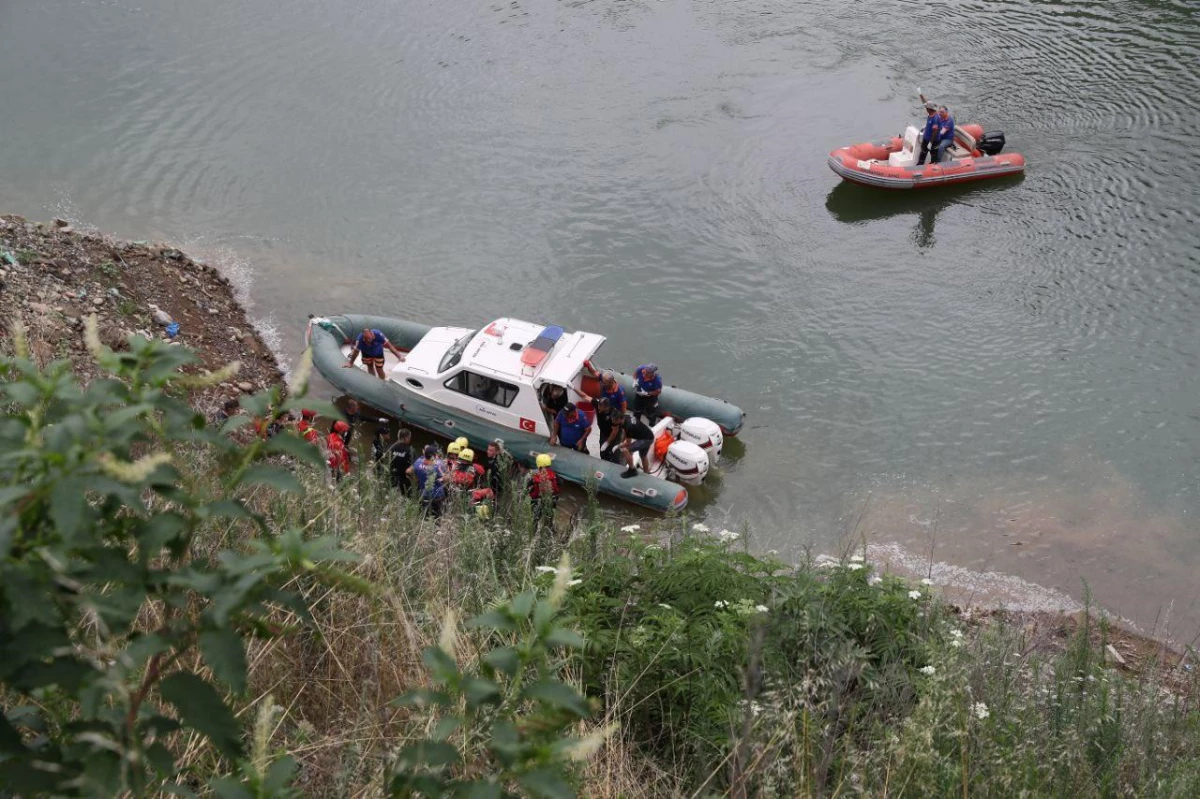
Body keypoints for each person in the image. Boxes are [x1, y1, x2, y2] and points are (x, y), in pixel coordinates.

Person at [613, 410, 655, 479]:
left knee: (625, 450)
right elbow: (625, 433)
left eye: (614, 421)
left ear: (619, 419)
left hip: (646, 439)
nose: (613, 422)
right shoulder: (625, 417)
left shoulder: (629, 426)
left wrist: (618, 446)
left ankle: (632, 470)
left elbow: (628, 443)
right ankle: (646, 475)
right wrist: (621, 442)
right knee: (643, 456)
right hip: (649, 436)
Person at [408, 445, 448, 517]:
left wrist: (416, 480)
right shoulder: (439, 465)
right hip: (437, 497)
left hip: (423, 496)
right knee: (437, 519)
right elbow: (447, 479)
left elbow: (408, 471)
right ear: (435, 455)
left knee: (424, 517)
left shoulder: (418, 462)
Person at [526, 452, 561, 528]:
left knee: (534, 521)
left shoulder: (534, 477)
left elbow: (527, 489)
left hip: (537, 502)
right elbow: (560, 484)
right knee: (549, 520)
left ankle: (534, 535)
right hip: (551, 501)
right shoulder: (555, 475)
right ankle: (550, 532)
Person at [389, 428, 415, 493]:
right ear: (405, 437)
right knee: (407, 497)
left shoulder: (392, 447)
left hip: (393, 476)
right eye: (409, 437)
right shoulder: (410, 450)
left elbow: (387, 460)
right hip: (405, 479)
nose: (410, 439)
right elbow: (413, 466)